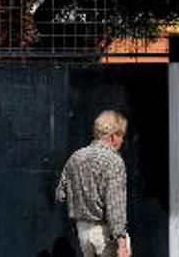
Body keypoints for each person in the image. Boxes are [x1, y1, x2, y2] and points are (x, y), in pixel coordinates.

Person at [56, 110, 131, 257]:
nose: (122, 140)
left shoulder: (76, 157)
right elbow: (115, 205)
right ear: (113, 136)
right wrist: (121, 243)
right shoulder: (114, 161)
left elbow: (60, 194)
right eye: (122, 135)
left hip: (83, 232)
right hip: (105, 233)